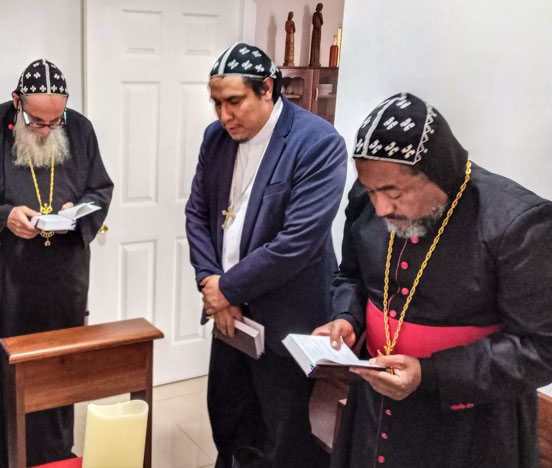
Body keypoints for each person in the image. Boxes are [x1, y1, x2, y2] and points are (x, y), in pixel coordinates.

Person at [314, 92, 552, 467]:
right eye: (372, 191)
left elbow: (542, 348)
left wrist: (431, 373)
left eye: (393, 193)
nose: (380, 208)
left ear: (439, 174)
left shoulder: (516, 223)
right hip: (373, 401)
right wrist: (347, 318)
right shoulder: (368, 198)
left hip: (470, 422)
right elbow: (351, 276)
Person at [0, 59, 113, 468]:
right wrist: (4, 217)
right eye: (37, 121)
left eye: (56, 121)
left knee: (55, 369)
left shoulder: (81, 129)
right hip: (1, 277)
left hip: (61, 278)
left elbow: (100, 189)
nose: (47, 130)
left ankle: (51, 453)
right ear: (17, 102)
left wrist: (77, 212)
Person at [185, 42, 347, 467]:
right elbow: (197, 213)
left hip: (287, 319)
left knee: (284, 438)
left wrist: (227, 289)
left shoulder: (317, 142)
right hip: (230, 317)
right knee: (230, 424)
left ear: (268, 89)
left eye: (234, 101)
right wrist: (212, 283)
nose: (224, 115)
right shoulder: (216, 139)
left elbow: (297, 242)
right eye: (217, 103)